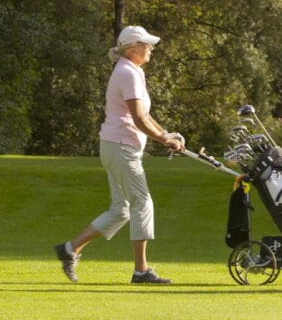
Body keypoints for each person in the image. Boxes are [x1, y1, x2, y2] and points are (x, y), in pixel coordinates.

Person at [54, 25, 185, 285]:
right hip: (121, 148)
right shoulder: (128, 72)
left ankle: (70, 249)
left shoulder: (132, 71)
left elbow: (144, 115)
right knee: (142, 203)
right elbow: (137, 118)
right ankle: (141, 271)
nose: (151, 49)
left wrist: (166, 134)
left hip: (117, 147)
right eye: (146, 45)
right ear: (132, 48)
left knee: (121, 210)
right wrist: (163, 139)